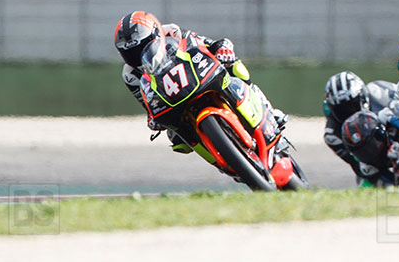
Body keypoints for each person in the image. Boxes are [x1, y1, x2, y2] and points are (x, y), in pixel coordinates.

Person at [114, 10, 285, 154]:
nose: (138, 55)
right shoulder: (130, 74)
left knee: (236, 68)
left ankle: (268, 110)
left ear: (156, 34)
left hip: (198, 75)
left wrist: (223, 48)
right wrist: (152, 119)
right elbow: (146, 102)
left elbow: (208, 44)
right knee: (177, 140)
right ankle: (223, 160)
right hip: (173, 100)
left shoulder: (172, 32)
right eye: (129, 53)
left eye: (142, 46)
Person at [322, 71, 399, 183]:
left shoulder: (378, 90)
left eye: (353, 105)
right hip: (377, 163)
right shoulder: (332, 135)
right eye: (341, 110)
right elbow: (358, 166)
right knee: (366, 176)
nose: (350, 113)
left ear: (363, 97)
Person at [340, 108, 399, 186]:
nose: (369, 153)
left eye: (371, 146)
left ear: (379, 133)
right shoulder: (366, 168)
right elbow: (392, 188)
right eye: (362, 152)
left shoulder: (387, 118)